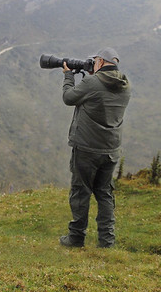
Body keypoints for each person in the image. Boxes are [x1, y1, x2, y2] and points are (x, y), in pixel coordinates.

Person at [59, 47, 131, 248]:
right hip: (111, 149)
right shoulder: (125, 84)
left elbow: (68, 98)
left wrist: (68, 76)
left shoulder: (92, 83)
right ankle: (107, 241)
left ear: (100, 62)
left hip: (87, 148)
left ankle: (76, 238)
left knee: (80, 191)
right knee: (104, 192)